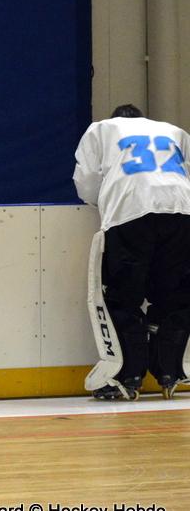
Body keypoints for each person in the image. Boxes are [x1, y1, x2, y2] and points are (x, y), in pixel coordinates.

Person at [73, 104, 190, 400]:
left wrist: (102, 203)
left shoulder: (101, 128)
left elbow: (85, 181)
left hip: (130, 210)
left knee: (123, 296)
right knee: (175, 295)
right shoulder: (174, 130)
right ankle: (170, 371)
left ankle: (128, 375)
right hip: (182, 209)